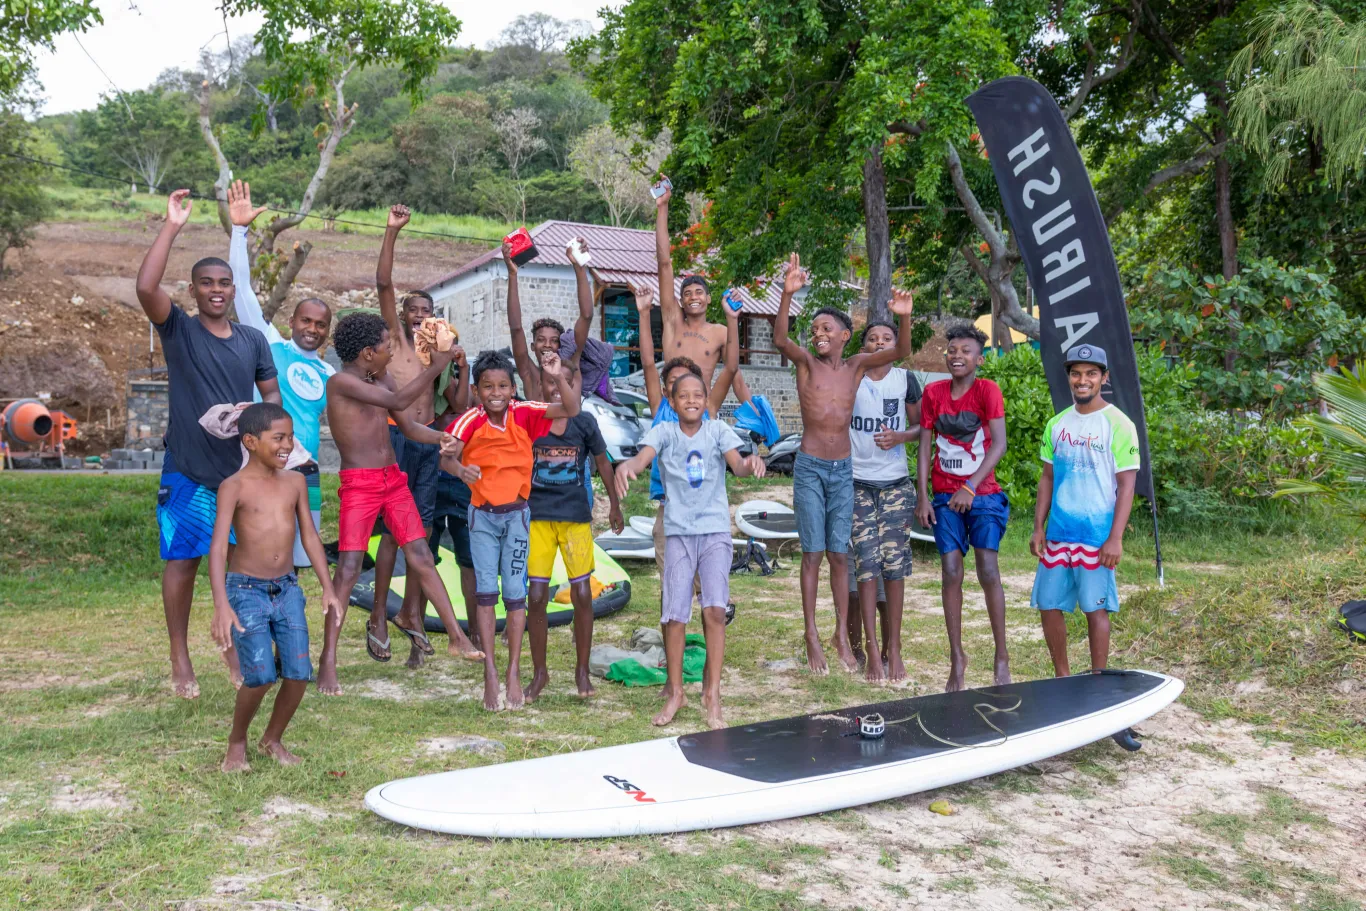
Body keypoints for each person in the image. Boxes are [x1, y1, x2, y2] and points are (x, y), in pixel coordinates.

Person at [134, 189, 282, 699]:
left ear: (232, 288)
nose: (216, 291)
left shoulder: (253, 340)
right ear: (193, 290)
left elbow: (271, 398)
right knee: (184, 562)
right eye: (206, 284)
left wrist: (258, 422)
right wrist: (172, 225)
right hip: (187, 468)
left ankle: (234, 648)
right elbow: (145, 285)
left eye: (224, 283)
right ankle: (180, 656)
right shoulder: (178, 329)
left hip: (239, 472)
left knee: (241, 564)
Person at [320, 313, 483, 695]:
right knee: (347, 568)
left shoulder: (381, 379)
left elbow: (408, 426)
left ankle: (457, 637)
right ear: (366, 353)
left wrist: (442, 438)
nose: (391, 352)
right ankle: (328, 660)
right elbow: (398, 400)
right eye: (386, 346)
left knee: (422, 555)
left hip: (392, 479)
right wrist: (438, 364)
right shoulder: (341, 382)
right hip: (359, 485)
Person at [772, 253, 914, 675]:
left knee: (839, 554)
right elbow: (781, 339)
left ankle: (838, 633)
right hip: (811, 467)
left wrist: (904, 316)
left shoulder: (855, 367)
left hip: (843, 471)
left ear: (845, 336)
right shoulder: (805, 364)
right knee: (813, 554)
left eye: (826, 329)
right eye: (814, 329)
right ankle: (812, 634)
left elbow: (902, 349)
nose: (818, 334)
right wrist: (787, 293)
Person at [613, 372, 766, 729]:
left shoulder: (717, 431)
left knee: (714, 610)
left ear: (707, 399)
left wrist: (750, 463)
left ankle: (712, 692)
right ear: (672, 399)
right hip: (679, 534)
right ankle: (677, 692)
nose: (693, 400)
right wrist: (629, 467)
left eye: (699, 394)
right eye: (685, 395)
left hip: (714, 532)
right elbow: (643, 457)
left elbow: (738, 465)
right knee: (675, 615)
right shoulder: (664, 432)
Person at [441, 350, 580, 711]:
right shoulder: (469, 420)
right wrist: (460, 471)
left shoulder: (525, 413)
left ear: (513, 388)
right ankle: (490, 670)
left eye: (503, 385)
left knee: (515, 595)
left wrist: (557, 377)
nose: (496, 393)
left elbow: (571, 409)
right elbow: (447, 455)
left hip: (517, 517)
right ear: (476, 390)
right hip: (483, 519)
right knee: (486, 593)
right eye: (488, 386)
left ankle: (514, 670)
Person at [209, 403, 342, 772]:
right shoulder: (233, 486)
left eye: (290, 437)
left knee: (299, 671)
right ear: (250, 441)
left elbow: (311, 538)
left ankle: (273, 738)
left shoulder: (295, 481)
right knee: (261, 674)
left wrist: (328, 588)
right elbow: (219, 547)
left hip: (287, 588)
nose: (288, 445)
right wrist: (222, 603)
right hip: (245, 589)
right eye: (278, 438)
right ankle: (237, 741)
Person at [1030, 345, 1141, 751]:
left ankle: (1098, 693)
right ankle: (1063, 684)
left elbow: (1127, 485)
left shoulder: (1119, 424)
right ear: (1069, 378)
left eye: (1090, 374)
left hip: (1097, 538)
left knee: (1097, 610)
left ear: (1104, 378)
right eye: (1076, 374)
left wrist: (1116, 537)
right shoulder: (1057, 423)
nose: (1082, 381)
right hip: (1059, 533)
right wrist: (1038, 526)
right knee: (1049, 604)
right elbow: (1047, 477)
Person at [225, 180, 334, 570]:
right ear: (291, 321)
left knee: (301, 563)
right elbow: (240, 290)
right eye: (306, 320)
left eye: (321, 324)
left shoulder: (329, 372)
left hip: (305, 473)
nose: (313, 329)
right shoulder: (269, 342)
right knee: (254, 559)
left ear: (327, 331)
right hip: (259, 468)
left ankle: (290, 629)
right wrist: (239, 231)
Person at [369, 205, 450, 663]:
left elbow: (454, 400)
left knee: (420, 531)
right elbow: (384, 283)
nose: (420, 317)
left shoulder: (436, 353)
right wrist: (391, 232)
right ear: (402, 316)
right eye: (413, 311)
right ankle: (379, 613)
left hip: (427, 442)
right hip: (396, 440)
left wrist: (454, 362)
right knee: (392, 534)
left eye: (427, 311)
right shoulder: (396, 344)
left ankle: (412, 615)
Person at [915, 324, 1011, 692]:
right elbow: (925, 446)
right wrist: (922, 495)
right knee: (951, 570)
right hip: (943, 496)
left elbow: (998, 444)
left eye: (966, 350)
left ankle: (1001, 654)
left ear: (979, 359)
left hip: (982, 493)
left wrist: (970, 487)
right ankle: (957, 657)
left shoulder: (988, 391)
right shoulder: (933, 393)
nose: (957, 355)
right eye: (952, 349)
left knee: (988, 569)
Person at [525, 365, 625, 701]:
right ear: (539, 384)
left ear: (574, 385)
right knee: (536, 597)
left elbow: (603, 462)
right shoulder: (531, 420)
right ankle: (540, 673)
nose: (556, 388)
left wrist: (614, 504)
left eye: (564, 382)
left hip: (575, 520)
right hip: (537, 518)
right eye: (550, 381)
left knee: (583, 594)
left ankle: (581, 672)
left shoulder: (584, 422)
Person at [632, 285, 742, 590]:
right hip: (670, 512)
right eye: (675, 383)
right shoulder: (661, 408)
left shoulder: (708, 409)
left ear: (703, 393)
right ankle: (674, 636)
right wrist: (643, 313)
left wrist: (732, 319)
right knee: (673, 588)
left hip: (706, 513)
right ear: (667, 392)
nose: (685, 392)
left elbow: (731, 366)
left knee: (708, 591)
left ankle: (708, 631)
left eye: (691, 385)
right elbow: (646, 363)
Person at [845, 319, 922, 683]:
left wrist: (900, 437)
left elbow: (923, 426)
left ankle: (895, 647)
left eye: (886, 338)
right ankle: (872, 649)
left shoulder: (905, 379)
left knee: (894, 566)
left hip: (895, 486)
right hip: (857, 483)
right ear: (862, 346)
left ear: (896, 343)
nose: (879, 343)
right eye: (872, 339)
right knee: (866, 564)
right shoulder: (851, 375)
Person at [651, 176, 753, 406]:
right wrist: (662, 208)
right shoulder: (673, 320)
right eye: (687, 293)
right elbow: (664, 263)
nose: (693, 297)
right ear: (681, 300)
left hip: (704, 410)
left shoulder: (720, 332)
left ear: (708, 298)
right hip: (671, 410)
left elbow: (735, 377)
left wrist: (757, 415)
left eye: (698, 292)